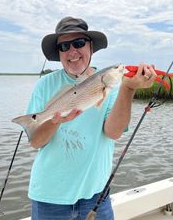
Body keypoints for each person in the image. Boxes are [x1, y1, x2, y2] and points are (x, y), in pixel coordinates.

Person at [25, 16, 157, 220]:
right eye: (64, 46)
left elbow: (113, 133)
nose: (72, 51)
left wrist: (128, 88)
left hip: (96, 194)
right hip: (50, 196)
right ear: (59, 53)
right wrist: (54, 121)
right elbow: (35, 142)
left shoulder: (112, 87)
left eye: (78, 43)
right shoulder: (44, 85)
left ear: (91, 47)